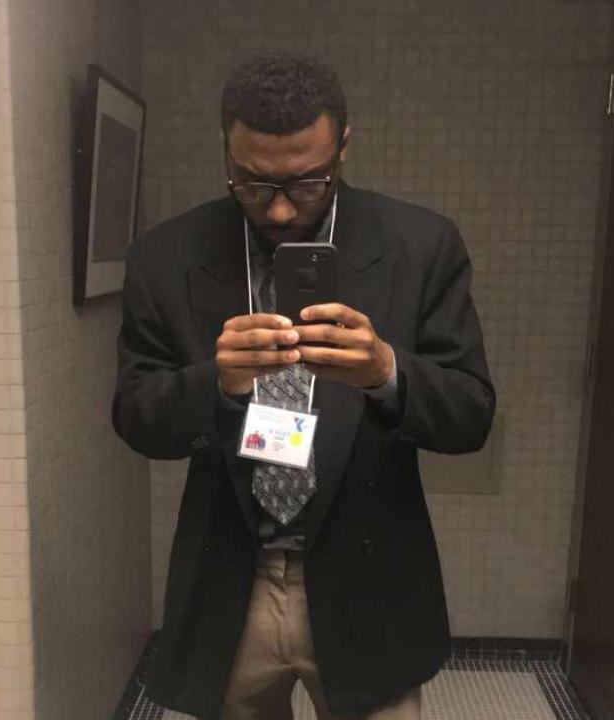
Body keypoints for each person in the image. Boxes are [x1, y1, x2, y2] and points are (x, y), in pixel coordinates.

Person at [112, 52, 496, 720]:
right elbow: (136, 415)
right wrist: (217, 383)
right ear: (227, 152)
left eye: (308, 183)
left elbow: (471, 415)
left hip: (369, 579)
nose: (283, 209)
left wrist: (387, 373)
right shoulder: (166, 256)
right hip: (230, 582)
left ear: (343, 146)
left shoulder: (421, 245)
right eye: (254, 184)